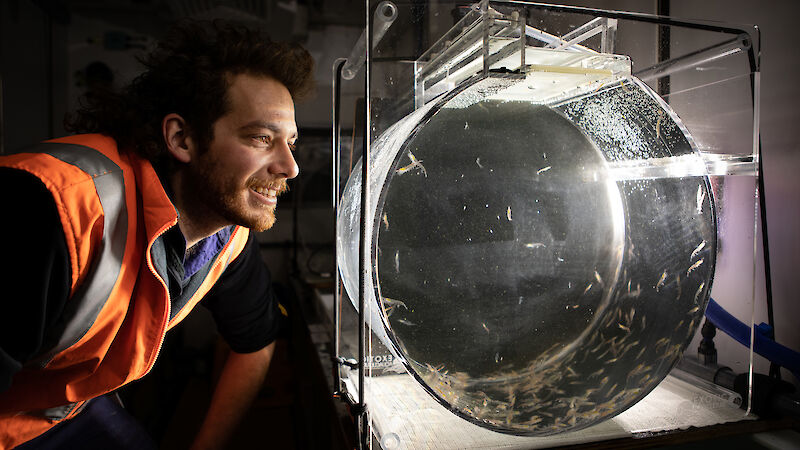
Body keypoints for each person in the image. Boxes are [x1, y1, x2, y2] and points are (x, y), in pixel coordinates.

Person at [0, 19, 314, 449]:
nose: (290, 167)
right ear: (181, 138)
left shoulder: (227, 235)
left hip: (64, 409)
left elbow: (256, 340)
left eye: (290, 142)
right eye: (261, 138)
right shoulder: (52, 211)